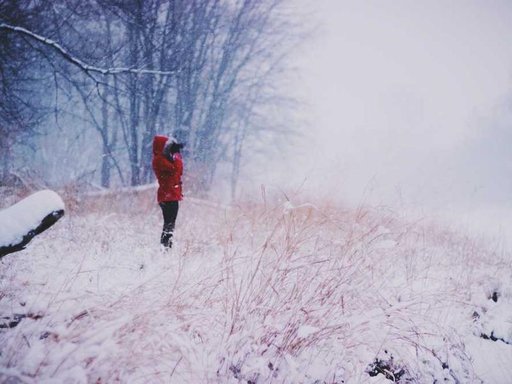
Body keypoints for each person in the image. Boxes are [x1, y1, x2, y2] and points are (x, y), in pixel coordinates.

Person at [152, 135, 184, 249]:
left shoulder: (163, 159)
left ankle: (166, 247)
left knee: (170, 224)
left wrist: (174, 155)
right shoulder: (160, 160)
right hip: (168, 196)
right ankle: (165, 247)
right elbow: (176, 170)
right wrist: (177, 155)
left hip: (170, 195)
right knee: (169, 224)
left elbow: (177, 173)